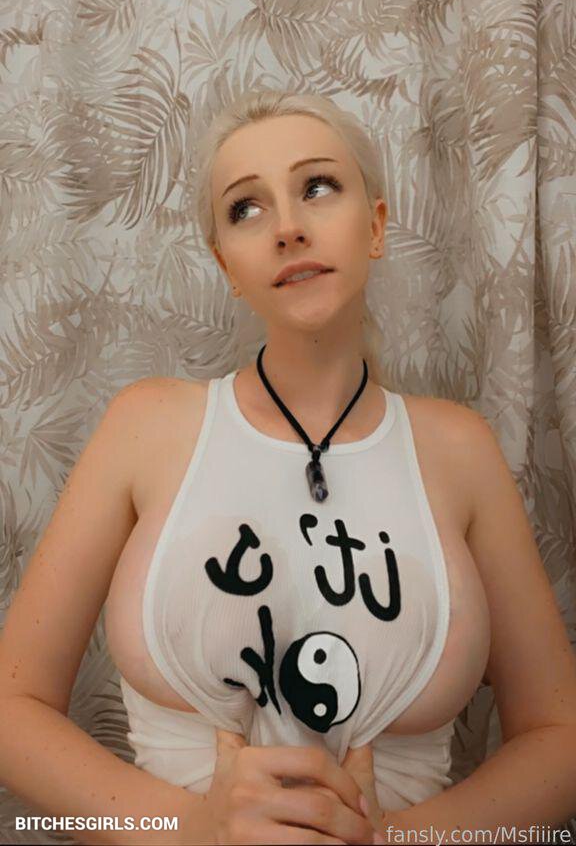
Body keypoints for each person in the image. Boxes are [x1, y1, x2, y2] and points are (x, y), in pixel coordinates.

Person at [2, 90, 576, 846]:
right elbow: (12, 710)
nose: (288, 227)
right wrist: (186, 830)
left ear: (375, 226)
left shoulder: (460, 449)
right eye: (246, 208)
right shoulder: (145, 426)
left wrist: (405, 839)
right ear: (226, 265)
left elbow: (559, 738)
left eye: (318, 186)